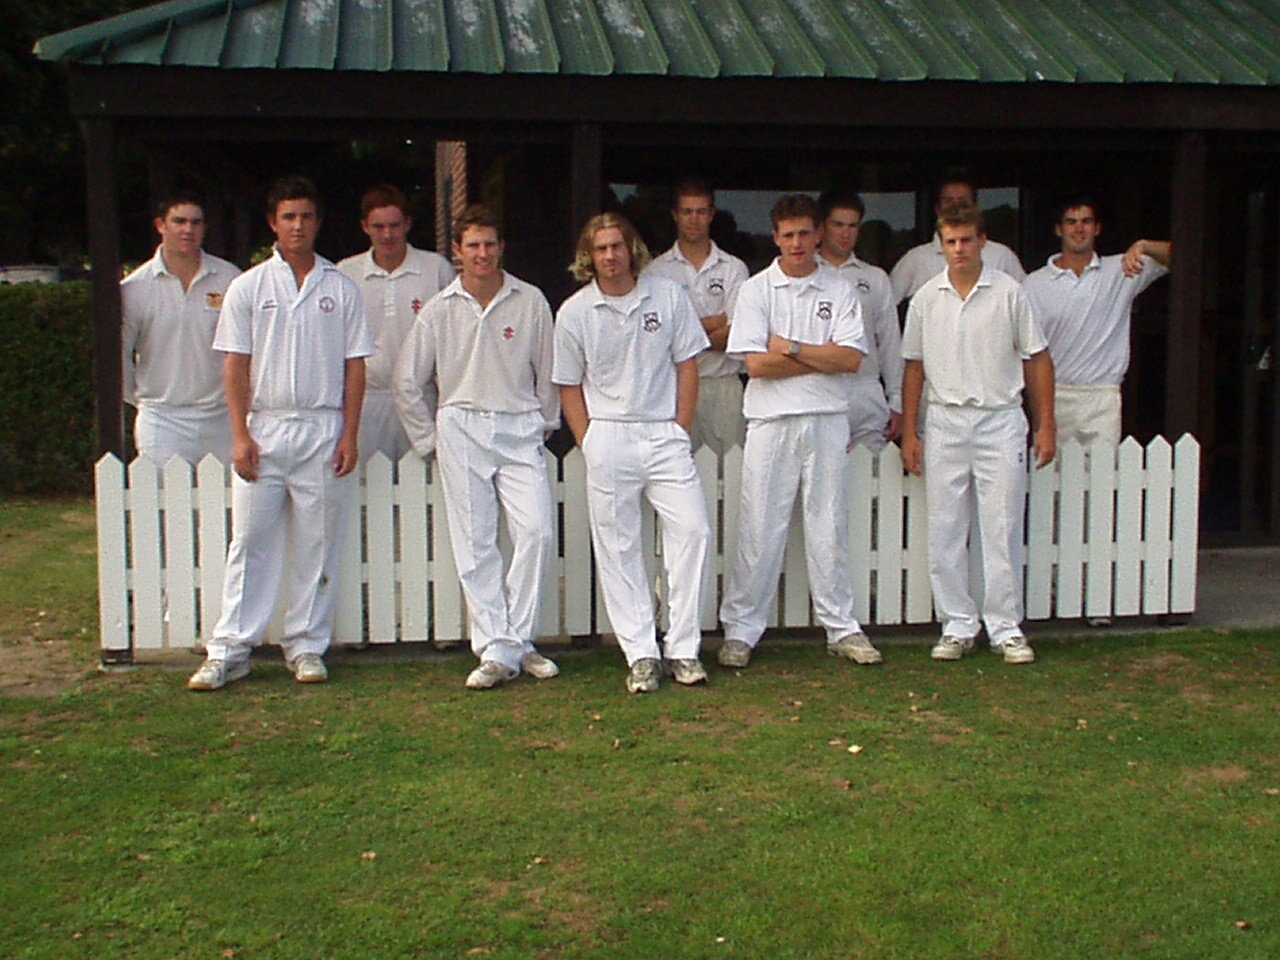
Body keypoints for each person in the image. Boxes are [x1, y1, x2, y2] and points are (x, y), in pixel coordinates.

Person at [189, 176, 373, 691]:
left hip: (322, 424)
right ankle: (230, 649)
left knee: (318, 541)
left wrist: (349, 434)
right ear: (274, 222)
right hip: (265, 427)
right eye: (288, 217)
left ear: (318, 222)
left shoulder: (340, 288)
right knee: (250, 541)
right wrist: (240, 435)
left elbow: (355, 366)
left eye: (307, 216)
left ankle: (306, 646)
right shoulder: (249, 287)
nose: (298, 226)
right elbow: (234, 366)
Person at [393, 206, 561, 690]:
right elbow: (409, 380)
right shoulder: (441, 308)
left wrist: (543, 425)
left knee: (536, 531)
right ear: (458, 252)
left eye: (489, 244)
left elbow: (548, 371)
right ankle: (497, 648)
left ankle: (513, 642)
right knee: (476, 544)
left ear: (501, 247)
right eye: (473, 246)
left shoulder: (529, 300)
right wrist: (430, 440)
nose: (482, 254)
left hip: (517, 426)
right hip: (461, 425)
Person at [553, 212, 712, 694]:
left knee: (694, 530)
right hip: (609, 436)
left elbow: (687, 364)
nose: (610, 256)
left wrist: (679, 429)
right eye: (600, 249)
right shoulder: (575, 311)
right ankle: (641, 653)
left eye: (617, 246)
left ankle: (683, 649)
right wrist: (589, 441)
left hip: (663, 432)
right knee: (620, 548)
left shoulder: (666, 296)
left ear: (631, 249)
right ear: (589, 257)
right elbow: (568, 385)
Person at [718, 194, 878, 670]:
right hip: (771, 421)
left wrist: (788, 346)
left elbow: (850, 359)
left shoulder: (840, 288)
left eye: (805, 234)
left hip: (828, 418)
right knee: (759, 526)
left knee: (829, 524)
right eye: (787, 235)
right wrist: (818, 357)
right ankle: (742, 630)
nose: (797, 243)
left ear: (818, 234)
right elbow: (756, 365)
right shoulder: (756, 290)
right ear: (775, 237)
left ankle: (841, 627)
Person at [900, 202, 1055, 666]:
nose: (959, 249)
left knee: (1001, 525)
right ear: (941, 244)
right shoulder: (927, 297)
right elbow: (914, 367)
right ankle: (956, 625)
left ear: (983, 241)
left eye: (967, 240)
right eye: (951, 241)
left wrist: (1046, 423)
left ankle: (1005, 627)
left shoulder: (1010, 292)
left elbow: (1037, 358)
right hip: (945, 420)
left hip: (1000, 417)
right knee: (946, 527)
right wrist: (909, 430)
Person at [1022, 196, 1171, 448]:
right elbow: (1029, 353)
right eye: (1071, 222)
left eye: (1086, 221)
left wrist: (1143, 246)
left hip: (1102, 396)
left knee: (1101, 484)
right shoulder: (1033, 285)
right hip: (1056, 395)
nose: (1079, 228)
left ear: (1097, 228)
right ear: (1059, 229)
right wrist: (1040, 414)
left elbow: (1182, 256)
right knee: (1052, 484)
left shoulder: (1122, 269)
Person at [121, 193, 241, 465]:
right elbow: (120, 353)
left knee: (223, 504)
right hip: (163, 420)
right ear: (160, 225)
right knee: (164, 503)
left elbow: (246, 349)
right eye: (179, 221)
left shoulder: (230, 279)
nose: (188, 229)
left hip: (221, 417)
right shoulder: (134, 288)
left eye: (196, 223)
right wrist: (141, 400)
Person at [337, 185, 454, 461]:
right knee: (368, 489)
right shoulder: (345, 273)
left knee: (425, 489)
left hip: (422, 399)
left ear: (408, 224)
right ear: (365, 227)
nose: (387, 235)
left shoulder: (435, 269)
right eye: (378, 226)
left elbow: (452, 339)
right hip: (366, 401)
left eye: (394, 225)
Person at [645, 177, 750, 454]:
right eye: (687, 212)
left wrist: (684, 333)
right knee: (677, 471)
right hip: (674, 388)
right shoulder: (656, 272)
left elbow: (737, 335)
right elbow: (658, 340)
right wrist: (713, 324)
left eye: (701, 211)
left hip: (724, 386)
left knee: (730, 475)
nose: (694, 219)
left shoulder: (733, 268)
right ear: (675, 215)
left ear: (711, 214)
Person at [817, 189, 903, 451]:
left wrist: (896, 400)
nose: (845, 233)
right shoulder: (805, 274)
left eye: (852, 226)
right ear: (822, 227)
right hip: (820, 388)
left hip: (866, 388)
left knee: (872, 479)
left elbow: (890, 342)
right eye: (838, 225)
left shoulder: (875, 278)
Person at [890, 169, 1026, 305]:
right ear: (937, 209)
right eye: (948, 201)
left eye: (963, 201)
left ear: (975, 206)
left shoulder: (1002, 256)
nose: (956, 206)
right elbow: (886, 307)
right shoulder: (915, 259)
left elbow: (1025, 302)